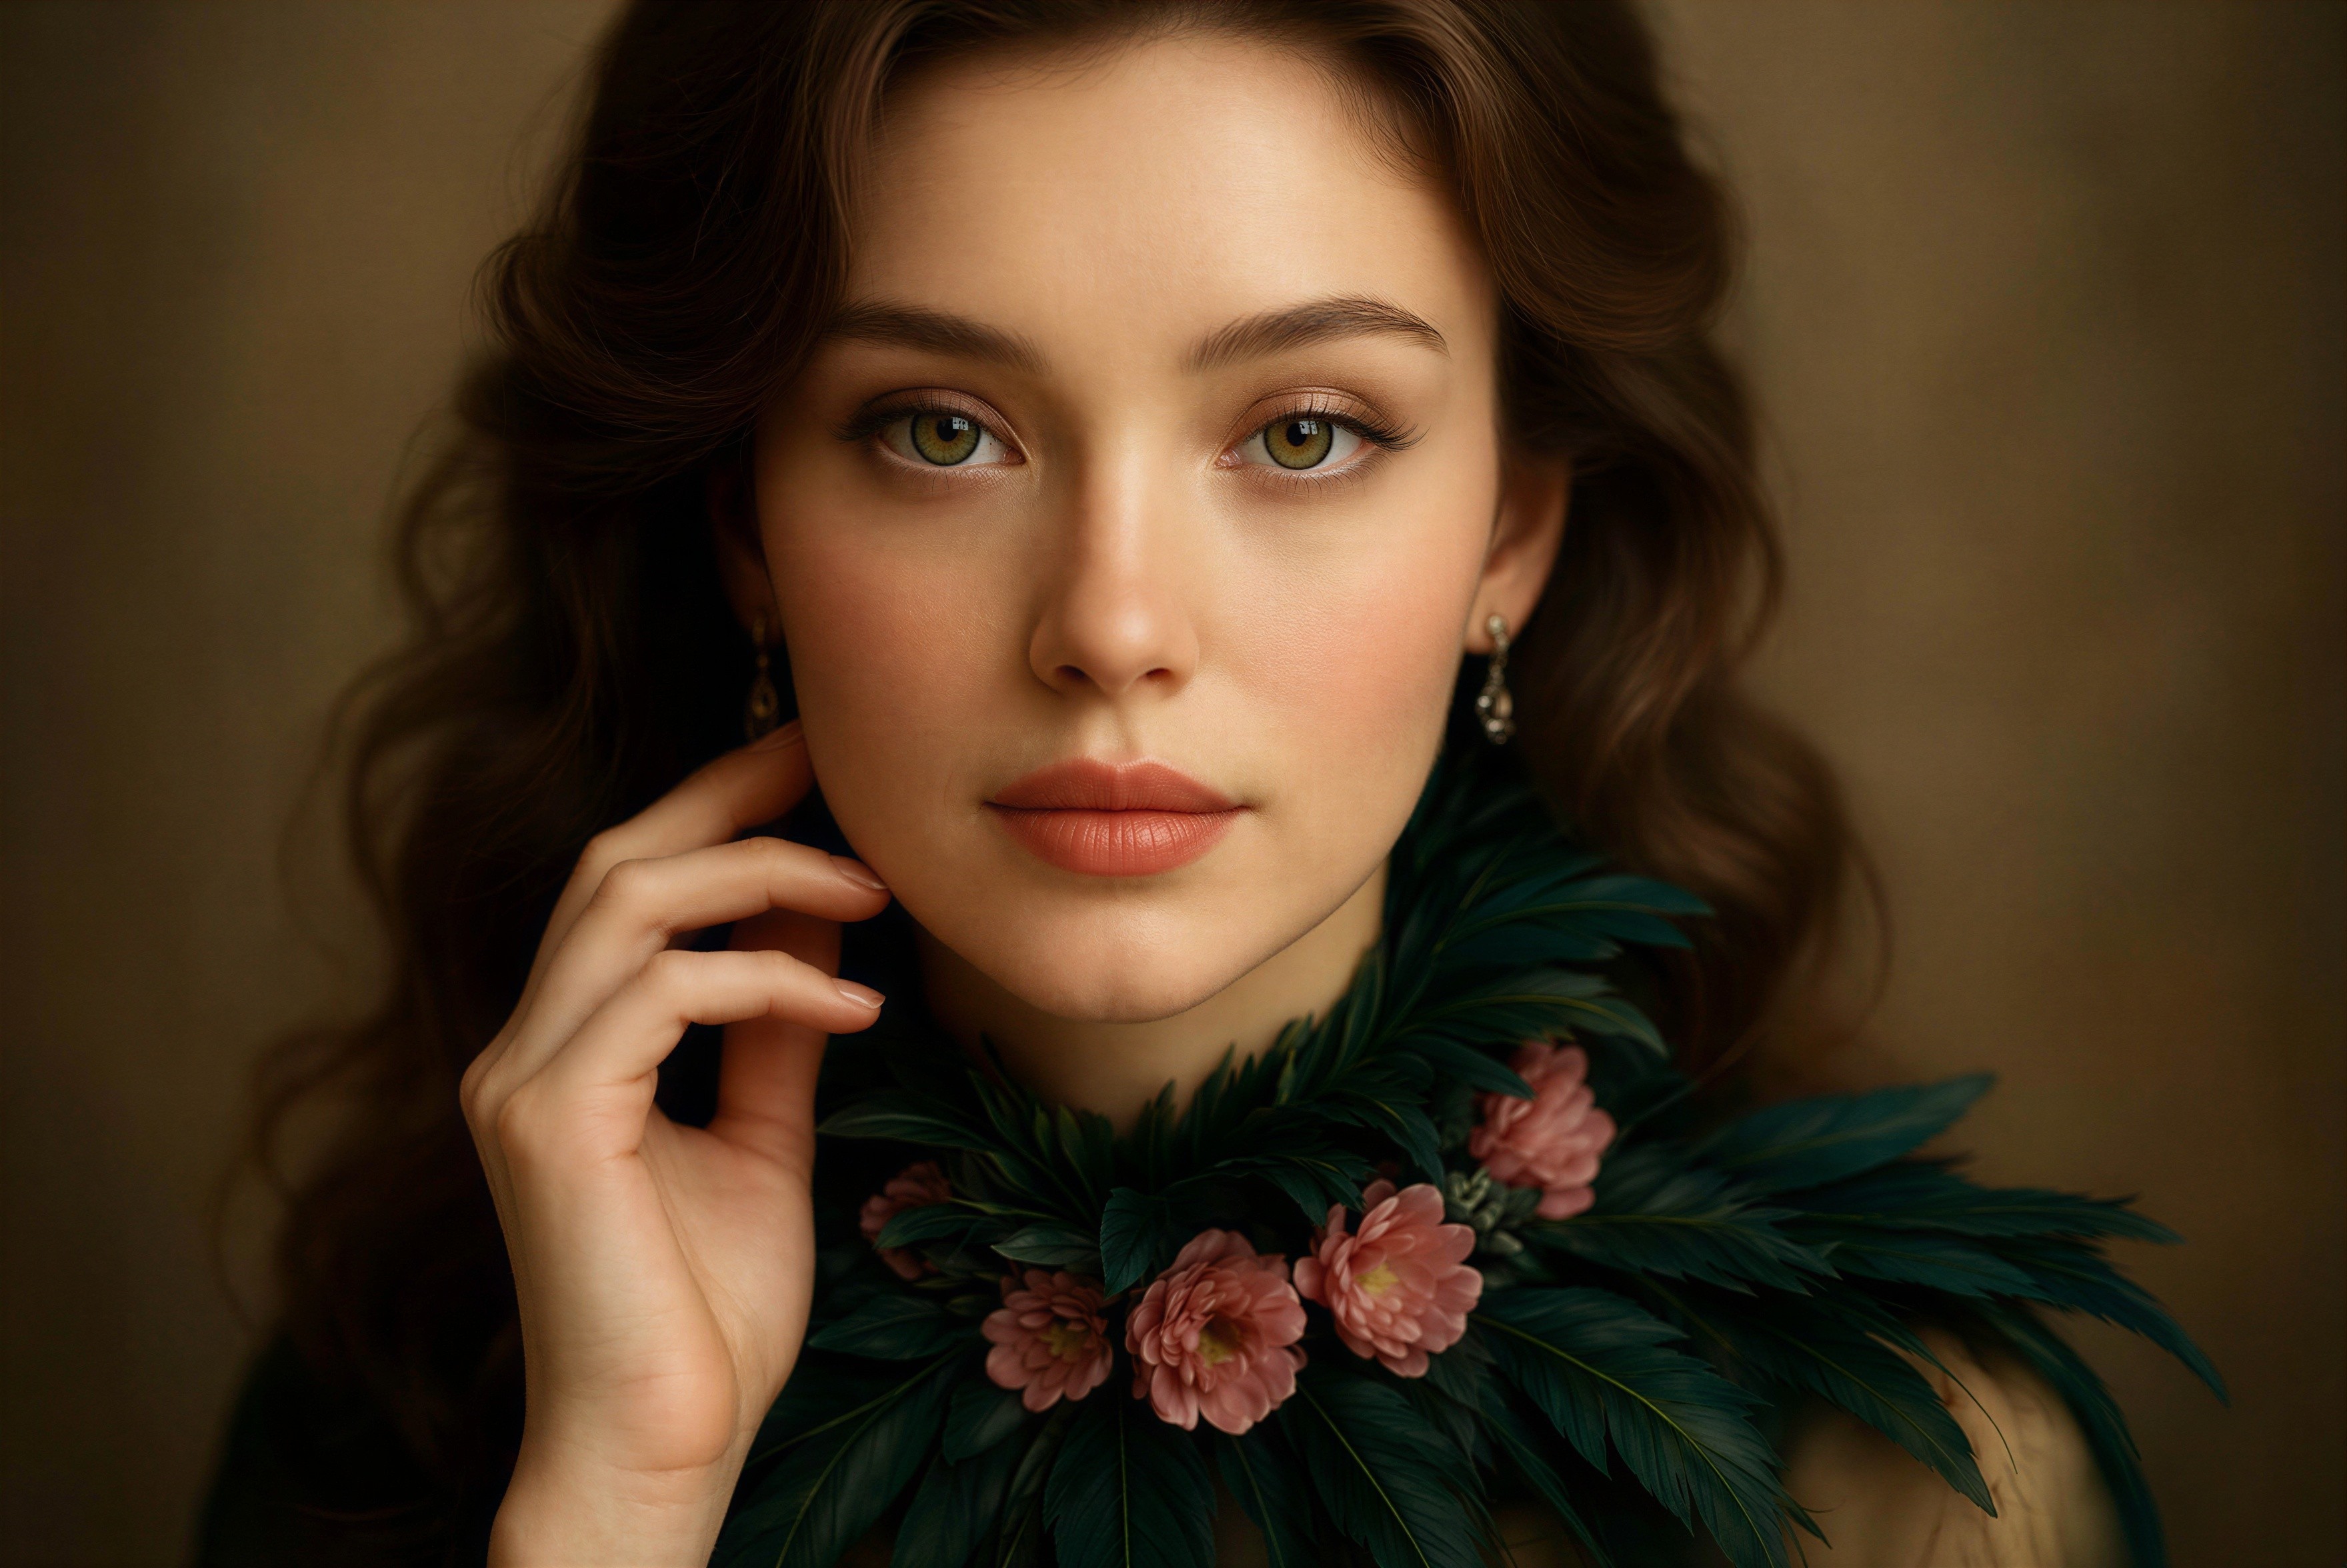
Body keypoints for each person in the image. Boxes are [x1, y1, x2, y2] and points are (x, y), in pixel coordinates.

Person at [199, 4, 2215, 1565]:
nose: (1113, 624)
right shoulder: (436, 1406)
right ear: (746, 527)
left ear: (1513, 529)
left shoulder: (1903, 1476)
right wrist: (622, 1504)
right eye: (940, 429)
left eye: (1306, 431)